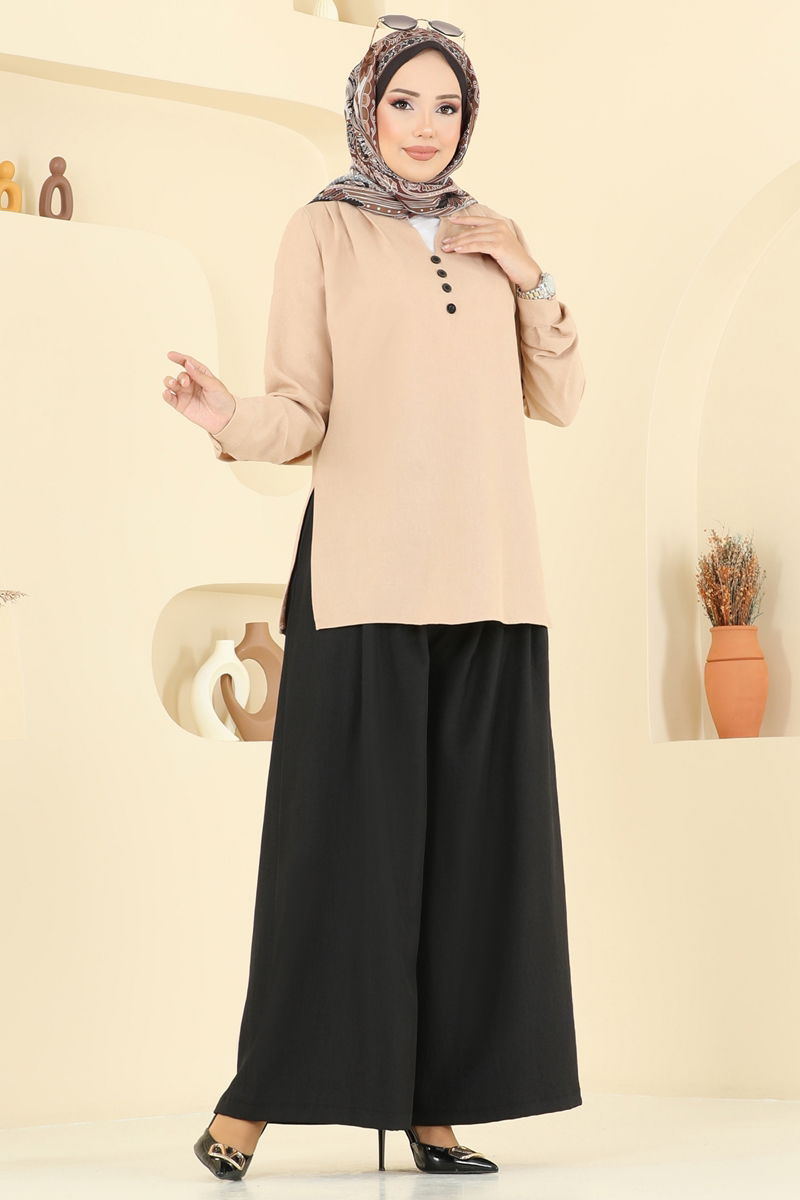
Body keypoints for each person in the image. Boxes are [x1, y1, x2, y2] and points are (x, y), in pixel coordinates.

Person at [162, 16, 586, 1181]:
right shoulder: (323, 229)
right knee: (337, 855)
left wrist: (533, 273)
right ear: (366, 104)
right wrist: (226, 417)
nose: (423, 125)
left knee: (472, 862)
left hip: (492, 581)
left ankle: (435, 1106)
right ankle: (251, 1105)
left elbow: (560, 396)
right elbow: (298, 408)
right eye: (404, 101)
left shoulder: (490, 236)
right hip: (362, 580)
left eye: (446, 106)